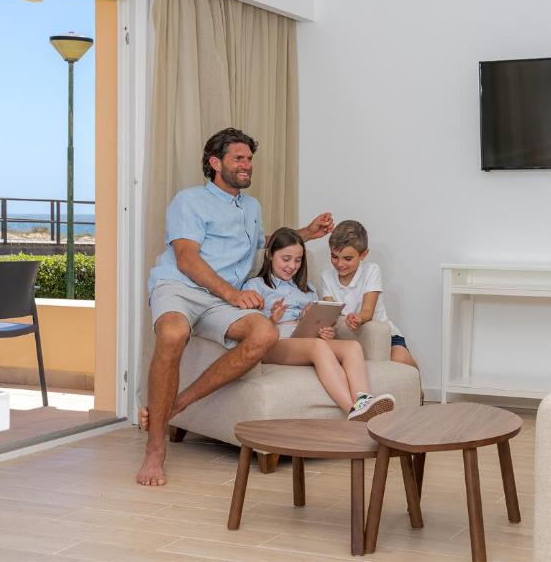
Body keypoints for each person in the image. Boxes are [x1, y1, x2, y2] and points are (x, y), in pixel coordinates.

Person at [138, 127, 333, 487]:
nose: (247, 165)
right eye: (238, 158)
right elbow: (186, 258)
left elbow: (264, 245)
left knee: (264, 333)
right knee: (173, 333)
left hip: (220, 300)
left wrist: (305, 233)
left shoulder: (252, 207)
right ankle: (155, 449)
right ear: (215, 163)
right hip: (180, 287)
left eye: (249, 159)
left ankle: (177, 405)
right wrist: (231, 294)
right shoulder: (189, 200)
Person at [242, 227, 396, 419]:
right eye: (286, 259)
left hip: (304, 341)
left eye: (298, 260)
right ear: (270, 254)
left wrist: (325, 331)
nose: (292, 266)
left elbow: (320, 323)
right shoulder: (254, 286)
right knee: (317, 346)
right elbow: (246, 327)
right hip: (274, 343)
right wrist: (272, 319)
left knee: (352, 347)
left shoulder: (307, 289)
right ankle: (353, 411)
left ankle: (363, 400)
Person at [319, 220, 420, 371]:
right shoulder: (326, 276)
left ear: (363, 254)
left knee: (399, 358)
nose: (339, 264)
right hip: (348, 338)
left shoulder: (371, 270)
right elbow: (330, 313)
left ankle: (418, 384)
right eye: (334, 256)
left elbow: (367, 311)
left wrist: (358, 318)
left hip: (385, 336)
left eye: (347, 258)